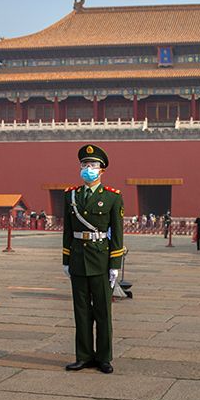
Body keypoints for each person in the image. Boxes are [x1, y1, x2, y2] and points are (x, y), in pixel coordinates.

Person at [62, 144, 124, 374]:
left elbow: (117, 234)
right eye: (85, 165)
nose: (89, 168)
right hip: (78, 259)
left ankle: (104, 357)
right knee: (81, 311)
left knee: (102, 311)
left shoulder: (112, 197)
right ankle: (84, 355)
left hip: (100, 259)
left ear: (102, 170)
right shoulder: (71, 195)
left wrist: (115, 265)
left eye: (93, 165)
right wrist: (66, 260)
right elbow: (67, 231)